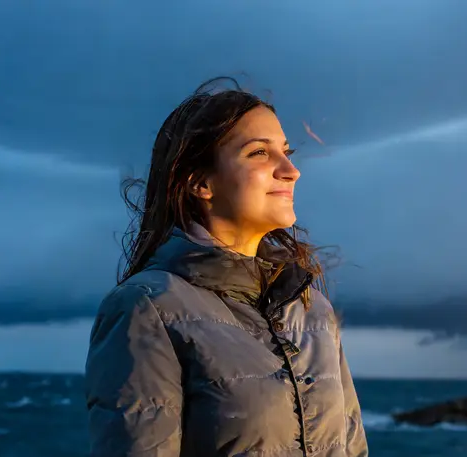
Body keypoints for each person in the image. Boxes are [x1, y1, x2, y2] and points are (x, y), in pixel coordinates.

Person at [84, 77, 368, 457]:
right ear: (200, 182)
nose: (290, 170)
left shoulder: (312, 309)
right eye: (259, 153)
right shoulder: (147, 309)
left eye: (287, 151)